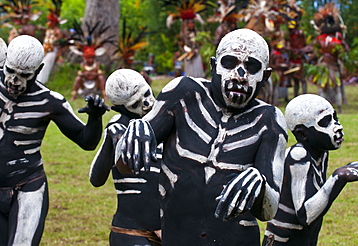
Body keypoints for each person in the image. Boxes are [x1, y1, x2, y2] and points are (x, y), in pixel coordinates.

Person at [116, 28, 288, 245]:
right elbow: (124, 165)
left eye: (251, 67)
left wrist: (259, 184)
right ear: (213, 65)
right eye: (230, 63)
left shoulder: (269, 120)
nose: (240, 76)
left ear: (265, 76)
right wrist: (131, 138)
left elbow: (269, 211)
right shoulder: (184, 95)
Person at [0, 35, 108, 245]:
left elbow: (86, 141)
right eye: (11, 71)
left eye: (24, 75)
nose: (14, 81)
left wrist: (95, 118)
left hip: (27, 188)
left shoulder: (49, 102)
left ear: (39, 70)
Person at [263, 94, 358, 246]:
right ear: (302, 134)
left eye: (335, 118)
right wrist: (338, 178)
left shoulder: (321, 153)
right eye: (325, 123)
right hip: (285, 240)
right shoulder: (298, 156)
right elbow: (306, 215)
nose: (337, 127)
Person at [90, 68, 161, 245]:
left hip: (172, 227)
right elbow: (96, 179)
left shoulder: (166, 117)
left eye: (147, 94)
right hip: (132, 230)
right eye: (135, 104)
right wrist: (111, 140)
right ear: (119, 109)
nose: (147, 104)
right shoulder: (118, 128)